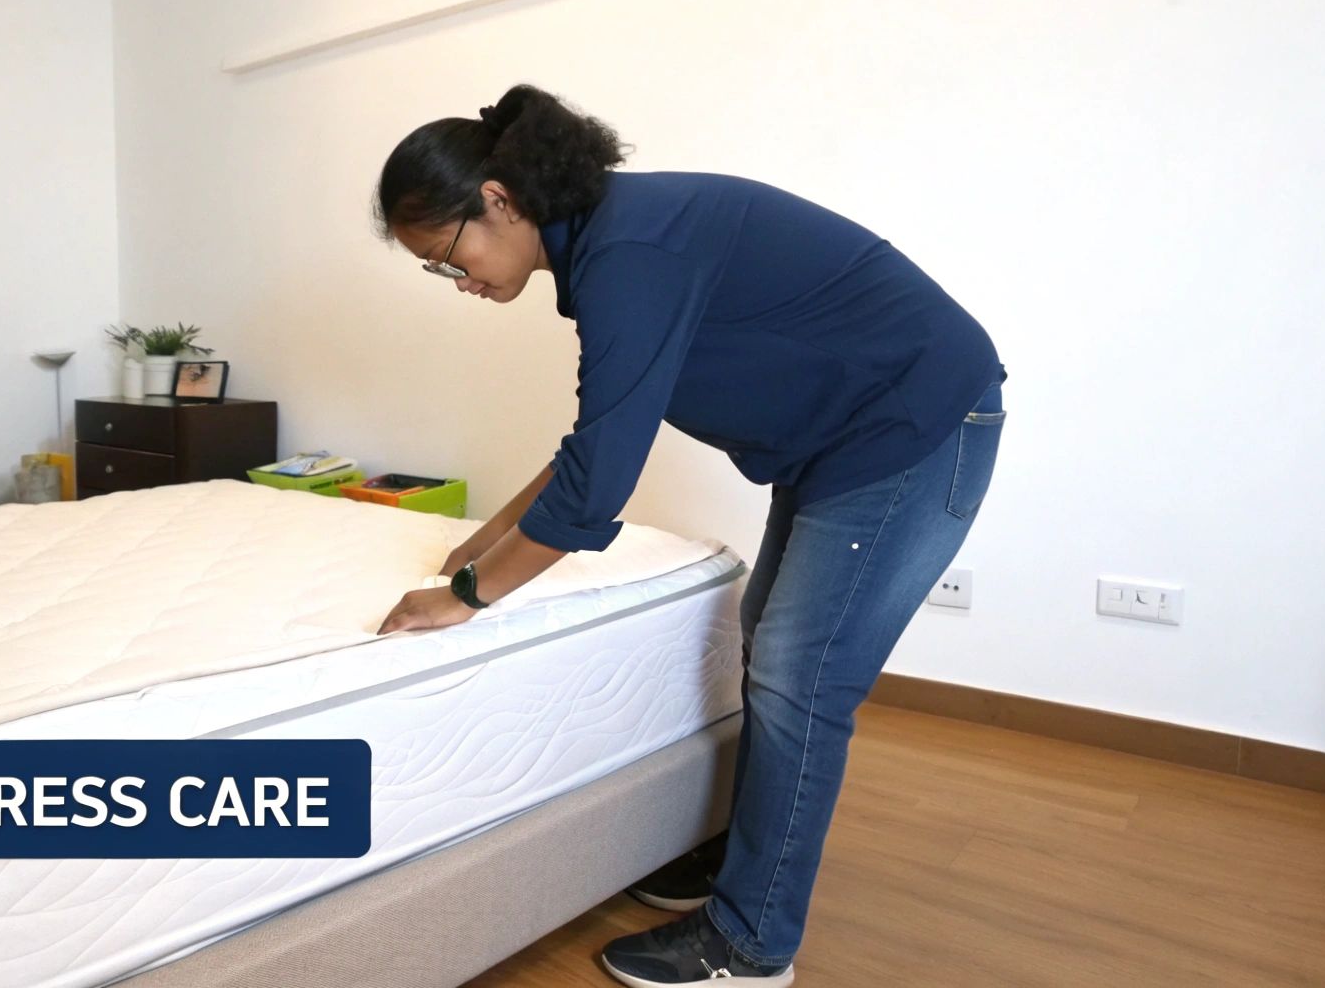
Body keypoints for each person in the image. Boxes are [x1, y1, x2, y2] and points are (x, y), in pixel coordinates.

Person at [372, 84, 1007, 988]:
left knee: (799, 675)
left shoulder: (630, 252)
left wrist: (466, 596)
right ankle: (743, 861)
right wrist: (493, 531)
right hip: (846, 441)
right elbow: (607, 429)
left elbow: (598, 482)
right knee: (770, 643)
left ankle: (749, 948)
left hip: (913, 427)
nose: (460, 281)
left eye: (448, 255)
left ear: (500, 202)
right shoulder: (612, 240)